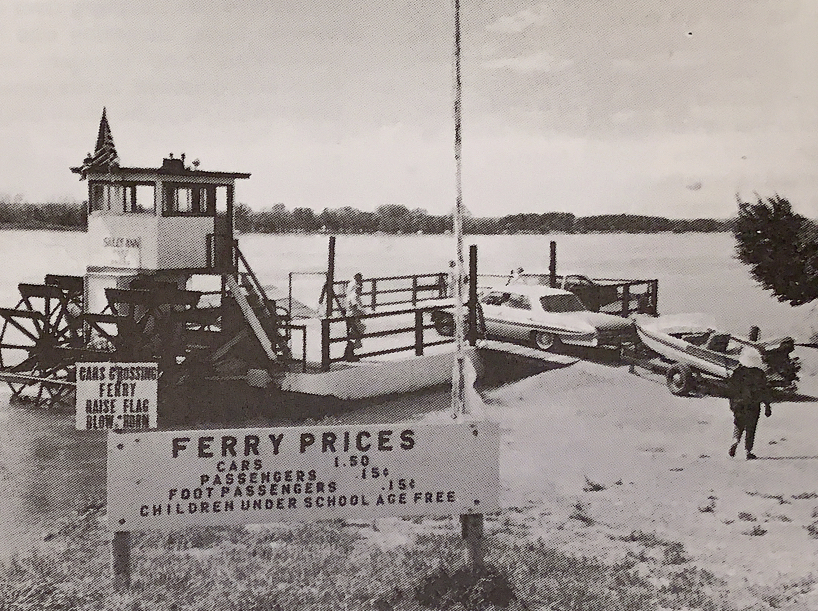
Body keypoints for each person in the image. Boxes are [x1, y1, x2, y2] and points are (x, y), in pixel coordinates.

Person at [727, 346, 772, 460]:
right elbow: (765, 391)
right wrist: (767, 405)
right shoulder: (760, 373)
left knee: (738, 423)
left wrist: (732, 404)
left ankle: (735, 440)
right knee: (751, 427)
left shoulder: (738, 372)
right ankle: (748, 451)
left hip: (739, 402)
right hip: (753, 403)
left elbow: (731, 389)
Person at [344, 273, 366, 361]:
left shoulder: (353, 294)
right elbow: (355, 306)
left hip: (351, 316)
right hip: (352, 317)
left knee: (353, 335)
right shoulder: (354, 296)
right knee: (354, 334)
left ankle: (348, 354)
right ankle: (349, 355)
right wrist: (363, 312)